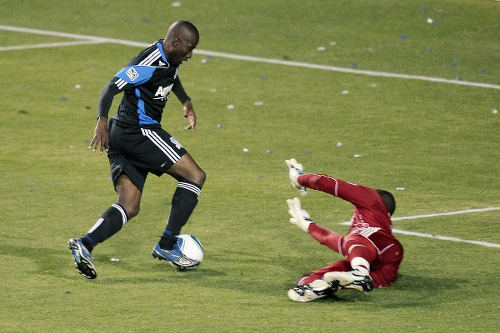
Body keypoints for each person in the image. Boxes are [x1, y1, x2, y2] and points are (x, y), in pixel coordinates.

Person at [68, 20, 206, 279]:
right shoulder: (149, 63)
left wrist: (185, 101)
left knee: (129, 205)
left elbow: (171, 77)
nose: (191, 55)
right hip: (139, 132)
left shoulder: (169, 59)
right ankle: (167, 245)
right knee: (195, 176)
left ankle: (84, 244)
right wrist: (101, 120)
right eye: (189, 48)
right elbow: (110, 87)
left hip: (125, 136)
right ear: (176, 42)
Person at [284, 159, 403, 302]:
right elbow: (343, 244)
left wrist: (299, 178)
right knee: (307, 278)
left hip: (378, 252)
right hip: (380, 265)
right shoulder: (367, 228)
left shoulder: (372, 199)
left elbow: (325, 182)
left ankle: (359, 273)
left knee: (355, 239)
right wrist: (309, 225)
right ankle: (319, 287)